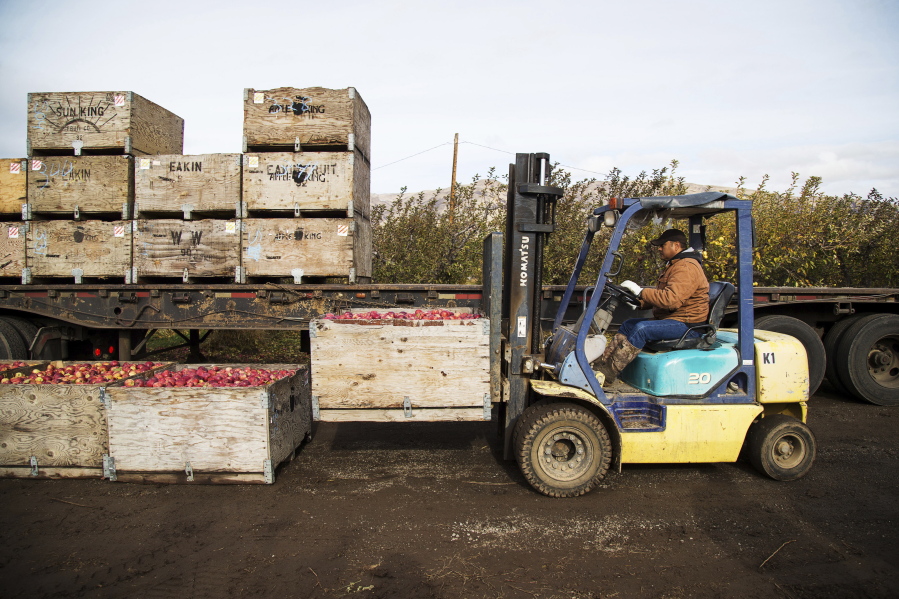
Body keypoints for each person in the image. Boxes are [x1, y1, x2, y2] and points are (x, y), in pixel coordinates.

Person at [594, 228, 710, 384]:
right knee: (629, 325)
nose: (660, 249)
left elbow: (671, 300)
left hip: (687, 325)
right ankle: (602, 365)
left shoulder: (686, 267)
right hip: (675, 318)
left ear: (676, 245)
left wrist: (642, 292)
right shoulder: (676, 265)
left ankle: (608, 374)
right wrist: (639, 300)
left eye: (662, 245)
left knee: (642, 329)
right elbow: (664, 295)